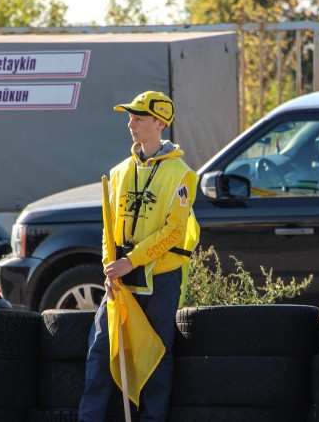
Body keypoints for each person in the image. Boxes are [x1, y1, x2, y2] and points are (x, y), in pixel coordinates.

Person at [78, 90, 199, 422]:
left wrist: (131, 261)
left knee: (157, 354)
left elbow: (174, 230)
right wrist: (110, 270)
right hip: (120, 278)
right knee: (100, 349)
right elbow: (109, 228)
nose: (130, 124)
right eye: (130, 117)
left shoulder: (181, 174)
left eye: (138, 118)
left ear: (159, 123)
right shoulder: (118, 172)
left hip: (161, 278)